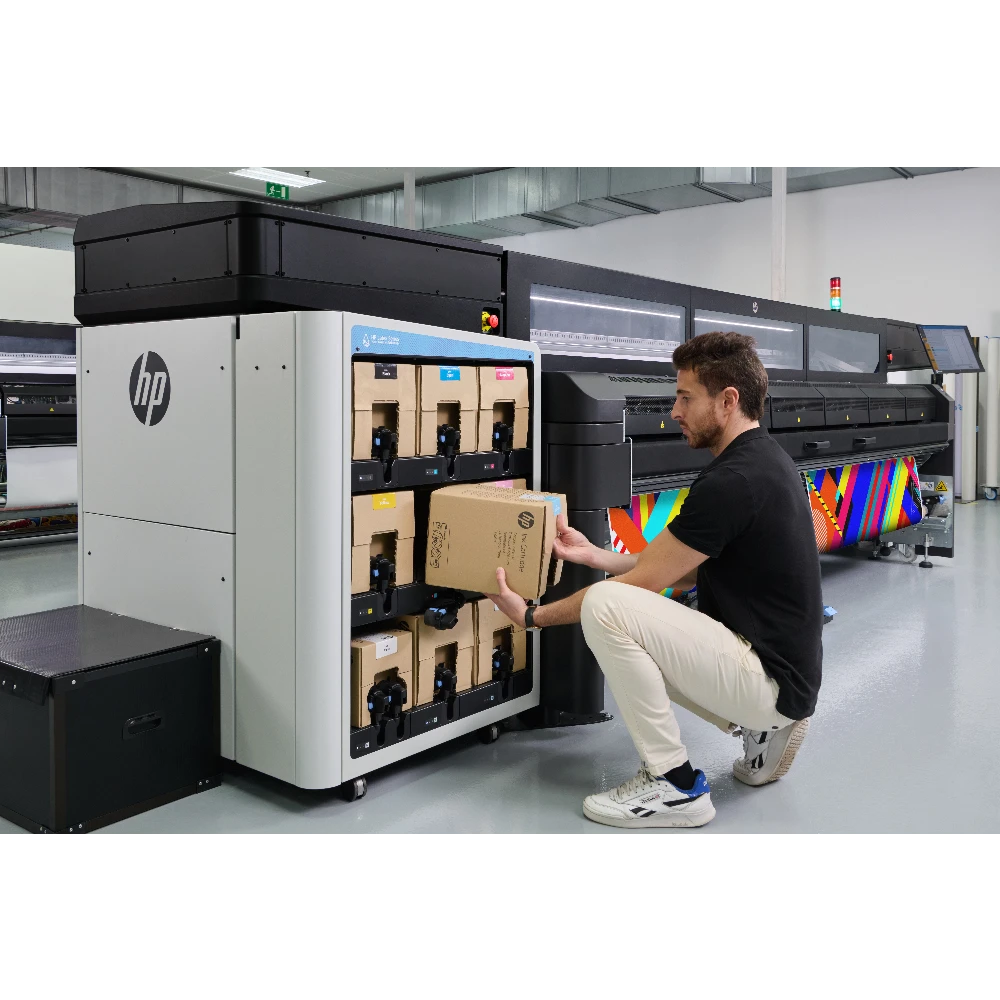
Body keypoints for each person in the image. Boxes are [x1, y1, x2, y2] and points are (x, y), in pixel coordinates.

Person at [486, 331, 823, 829]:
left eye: (686, 397)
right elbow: (676, 568)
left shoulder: (732, 482)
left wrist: (532, 617)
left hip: (769, 681)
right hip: (785, 675)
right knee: (622, 606)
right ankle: (765, 728)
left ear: (728, 400)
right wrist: (594, 554)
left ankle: (674, 784)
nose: (674, 411)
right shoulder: (764, 460)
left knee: (606, 607)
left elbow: (640, 585)